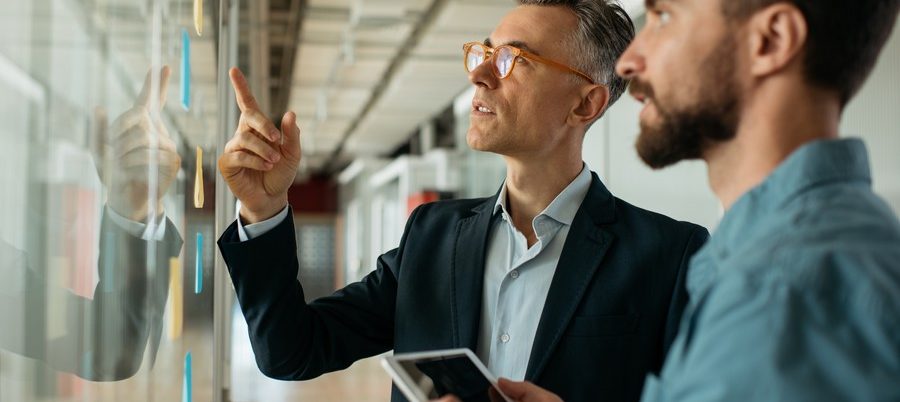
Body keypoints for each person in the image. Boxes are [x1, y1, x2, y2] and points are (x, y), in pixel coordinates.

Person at [216, 1, 709, 401]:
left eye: (514, 60)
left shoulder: (670, 255)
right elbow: (290, 351)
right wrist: (263, 211)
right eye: (484, 53)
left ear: (586, 103)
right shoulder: (432, 234)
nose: (480, 75)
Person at [463, 0, 900, 401]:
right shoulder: (772, 259)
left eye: (664, 17)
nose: (631, 62)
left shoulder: (784, 288)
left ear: (771, 41)